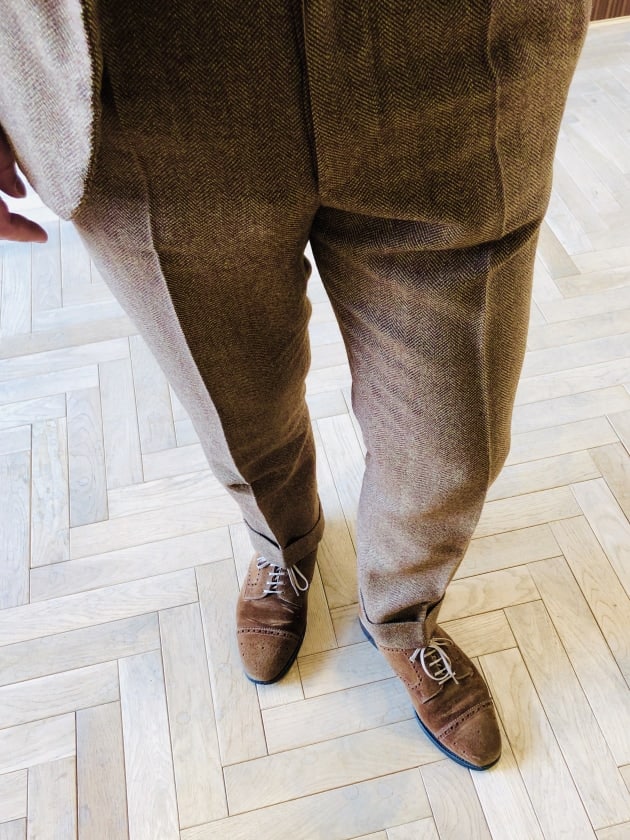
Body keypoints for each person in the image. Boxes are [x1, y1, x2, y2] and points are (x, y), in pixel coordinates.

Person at [0, 1, 591, 771]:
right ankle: (283, 542)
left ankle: (403, 614)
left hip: (455, 49)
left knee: (452, 443)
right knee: (233, 401)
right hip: (140, 73)